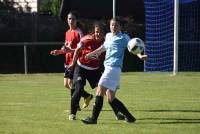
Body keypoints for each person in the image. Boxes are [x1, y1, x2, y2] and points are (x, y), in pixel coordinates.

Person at [81, 17, 148, 124]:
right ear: (109, 26)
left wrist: (140, 55)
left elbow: (132, 46)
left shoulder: (124, 37)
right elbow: (103, 47)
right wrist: (92, 53)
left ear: (120, 27)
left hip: (113, 68)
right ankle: (130, 117)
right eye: (112, 25)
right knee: (110, 98)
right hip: (110, 69)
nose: (114, 27)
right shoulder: (107, 36)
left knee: (99, 91)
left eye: (116, 25)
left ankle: (93, 119)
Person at [50, 11, 93, 110]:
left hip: (76, 61)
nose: (71, 21)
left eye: (73, 19)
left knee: (71, 84)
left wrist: (70, 51)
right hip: (67, 61)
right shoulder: (67, 33)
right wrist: (59, 52)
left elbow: (82, 49)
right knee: (66, 84)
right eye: (69, 19)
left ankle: (75, 105)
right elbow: (67, 49)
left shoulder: (79, 32)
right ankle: (86, 96)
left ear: (76, 20)